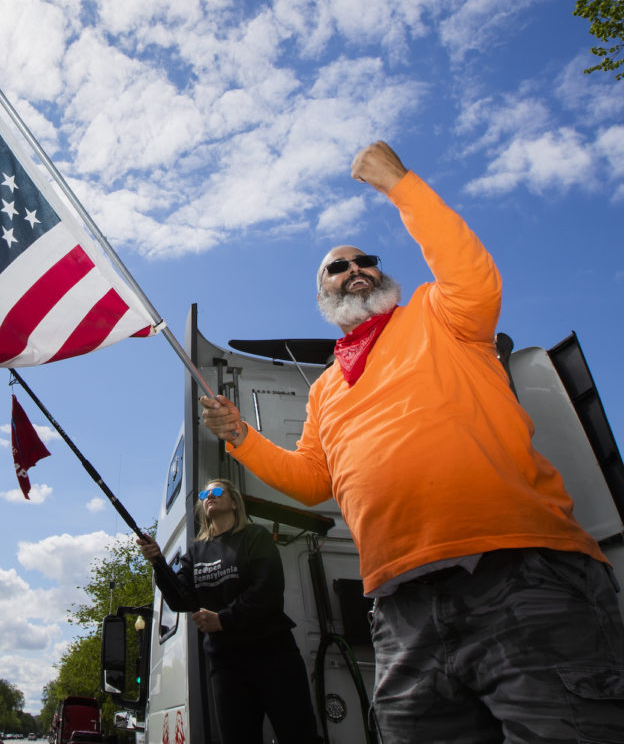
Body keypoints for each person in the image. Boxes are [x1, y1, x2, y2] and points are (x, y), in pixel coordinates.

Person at [200, 140, 624, 743]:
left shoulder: (439, 314)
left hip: (519, 574)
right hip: (400, 607)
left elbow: (472, 273)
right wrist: (241, 436)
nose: (355, 270)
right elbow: (313, 480)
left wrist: (400, 184)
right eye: (337, 267)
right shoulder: (324, 390)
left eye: (364, 260)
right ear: (322, 295)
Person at [137, 478, 322, 744]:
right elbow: (181, 599)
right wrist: (158, 561)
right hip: (227, 664)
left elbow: (267, 591)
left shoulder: (254, 536)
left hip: (273, 655)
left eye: (216, 491)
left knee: (297, 734)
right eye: (204, 493)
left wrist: (223, 619)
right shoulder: (197, 550)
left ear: (234, 502)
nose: (209, 496)